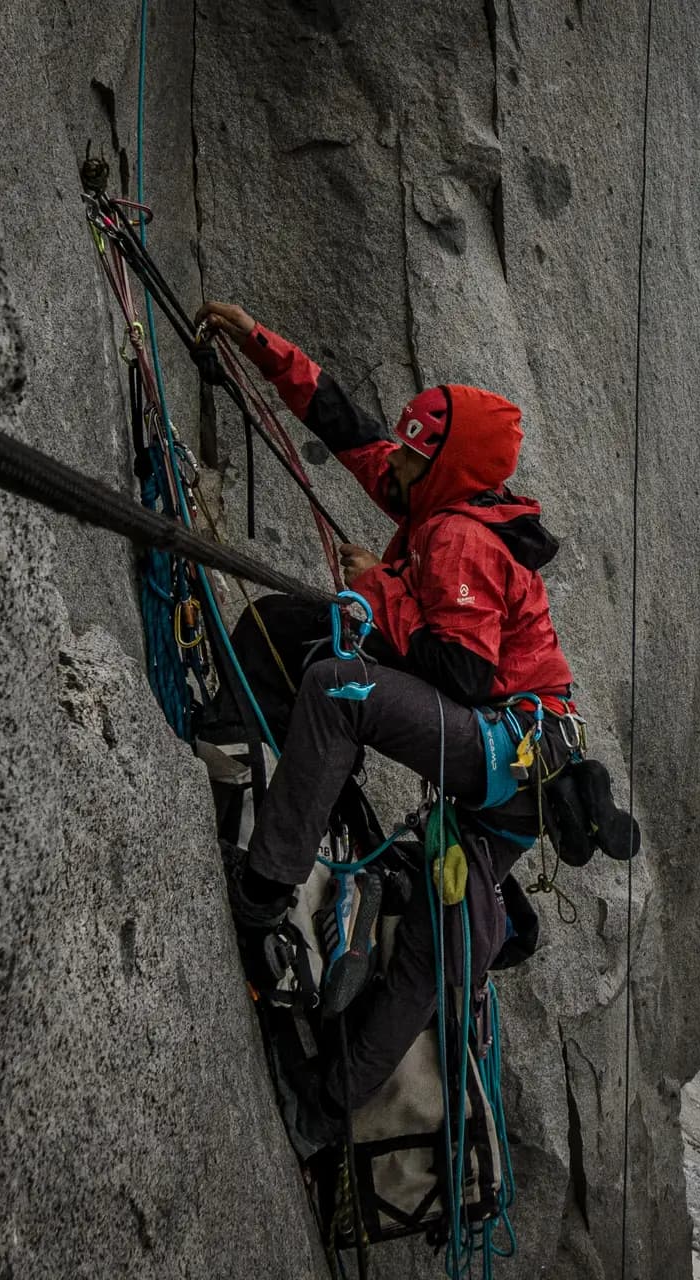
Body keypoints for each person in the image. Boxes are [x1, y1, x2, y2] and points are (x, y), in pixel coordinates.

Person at [194, 300, 630, 1142]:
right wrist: (260, 343)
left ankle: (261, 890)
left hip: (500, 748)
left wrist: (379, 590)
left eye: (409, 453)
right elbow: (348, 426)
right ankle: (325, 1108)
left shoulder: (459, 538)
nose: (389, 463)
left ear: (442, 465)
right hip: (523, 780)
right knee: (432, 945)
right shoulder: (438, 502)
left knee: (336, 691)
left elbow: (461, 670)